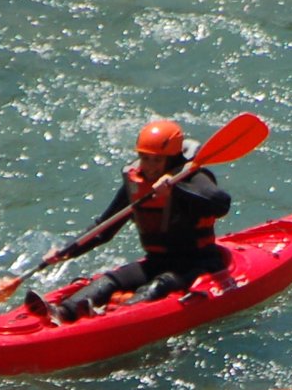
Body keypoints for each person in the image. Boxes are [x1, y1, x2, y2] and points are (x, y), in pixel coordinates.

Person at [26, 118, 232, 323]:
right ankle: (62, 312)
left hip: (200, 263)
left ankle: (114, 318)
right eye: (145, 158)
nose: (149, 167)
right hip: (157, 262)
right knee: (110, 281)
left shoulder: (193, 178)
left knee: (160, 285)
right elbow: (103, 229)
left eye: (157, 160)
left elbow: (221, 204)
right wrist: (67, 250)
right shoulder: (135, 184)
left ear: (172, 159)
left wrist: (176, 188)